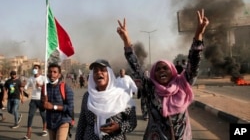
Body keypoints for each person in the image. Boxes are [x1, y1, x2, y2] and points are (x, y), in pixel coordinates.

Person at [117, 9, 209, 140]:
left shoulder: (182, 84)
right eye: (158, 69)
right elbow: (136, 67)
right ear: (154, 74)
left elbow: (194, 61)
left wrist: (199, 34)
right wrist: (126, 40)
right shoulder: (150, 88)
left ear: (172, 71)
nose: (161, 71)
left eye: (165, 68)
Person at [75, 59, 137, 140]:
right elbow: (82, 124)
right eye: (95, 71)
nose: (98, 73)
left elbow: (132, 122)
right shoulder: (88, 96)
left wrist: (119, 126)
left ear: (110, 74)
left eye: (103, 70)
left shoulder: (122, 96)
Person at [42, 63, 74, 140]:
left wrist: (54, 107)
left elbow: (70, 107)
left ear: (59, 75)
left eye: (54, 72)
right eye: (50, 71)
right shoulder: (45, 88)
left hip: (63, 121)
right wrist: (43, 103)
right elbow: (42, 107)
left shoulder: (65, 88)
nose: (52, 74)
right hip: (50, 123)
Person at [23, 64, 47, 140]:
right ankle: (28, 133)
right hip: (33, 99)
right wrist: (24, 85)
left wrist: (40, 86)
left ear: (39, 70)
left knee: (43, 115)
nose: (35, 70)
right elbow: (26, 87)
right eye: (34, 68)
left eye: (36, 68)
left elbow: (47, 88)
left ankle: (44, 129)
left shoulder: (43, 78)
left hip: (41, 99)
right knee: (30, 115)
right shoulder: (30, 78)